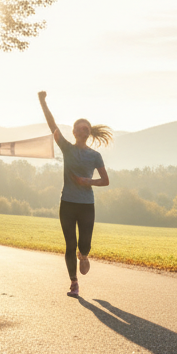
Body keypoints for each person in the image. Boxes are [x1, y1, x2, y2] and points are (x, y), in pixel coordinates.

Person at [38, 91, 111, 297]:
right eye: (79, 128)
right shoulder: (67, 148)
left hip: (86, 205)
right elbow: (52, 125)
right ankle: (74, 283)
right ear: (74, 132)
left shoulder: (95, 156)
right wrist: (42, 101)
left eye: (86, 128)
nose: (82, 130)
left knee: (84, 244)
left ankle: (84, 255)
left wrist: (87, 181)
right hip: (67, 204)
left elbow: (106, 181)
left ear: (88, 133)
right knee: (70, 244)